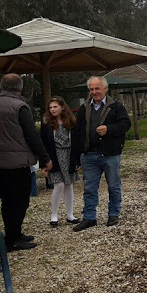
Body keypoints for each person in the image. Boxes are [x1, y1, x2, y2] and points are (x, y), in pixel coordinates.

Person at [0, 74, 52, 251]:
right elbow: (31, 135)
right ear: (20, 88)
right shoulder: (20, 106)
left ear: (1, 87)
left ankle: (13, 233)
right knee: (20, 201)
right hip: (17, 163)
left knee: (7, 201)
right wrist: (45, 158)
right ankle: (13, 238)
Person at [72, 76, 131, 231]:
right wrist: (77, 155)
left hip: (110, 154)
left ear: (105, 89)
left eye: (97, 88)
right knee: (89, 188)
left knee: (113, 186)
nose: (94, 92)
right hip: (89, 155)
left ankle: (113, 214)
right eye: (91, 89)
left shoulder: (116, 106)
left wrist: (109, 129)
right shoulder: (84, 108)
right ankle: (89, 217)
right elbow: (77, 131)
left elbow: (126, 124)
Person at [40, 96, 81, 227]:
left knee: (69, 185)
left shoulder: (71, 121)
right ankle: (54, 215)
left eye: (55, 107)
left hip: (69, 155)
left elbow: (76, 142)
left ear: (62, 107)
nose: (52, 109)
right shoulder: (47, 123)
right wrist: (44, 163)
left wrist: (77, 160)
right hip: (54, 156)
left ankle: (70, 214)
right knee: (59, 185)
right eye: (50, 107)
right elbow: (43, 143)